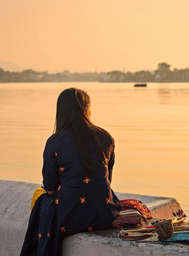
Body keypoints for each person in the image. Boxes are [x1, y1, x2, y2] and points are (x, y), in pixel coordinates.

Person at [20, 88, 121, 256]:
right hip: (105, 213)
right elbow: (106, 181)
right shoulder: (106, 137)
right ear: (86, 109)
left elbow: (50, 189)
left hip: (71, 217)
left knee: (41, 199)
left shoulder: (54, 142)